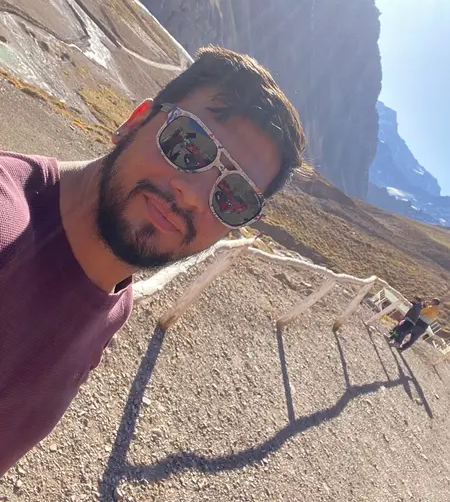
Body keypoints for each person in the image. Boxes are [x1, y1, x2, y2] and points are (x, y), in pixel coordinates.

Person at [0, 46, 305, 475]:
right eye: (188, 144)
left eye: (233, 197)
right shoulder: (7, 225)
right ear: (135, 121)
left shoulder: (115, 302)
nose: (193, 196)